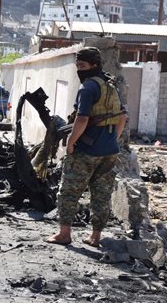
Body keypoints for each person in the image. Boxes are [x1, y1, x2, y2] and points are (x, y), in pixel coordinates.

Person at [46, 47, 127, 247]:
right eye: (78, 66)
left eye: (83, 65)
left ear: (94, 65)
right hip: (109, 151)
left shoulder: (88, 88)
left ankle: (64, 234)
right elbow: (122, 117)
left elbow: (81, 120)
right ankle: (95, 237)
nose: (79, 70)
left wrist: (71, 143)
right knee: (101, 194)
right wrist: (112, 140)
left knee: (69, 191)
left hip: (86, 151)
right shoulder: (110, 85)